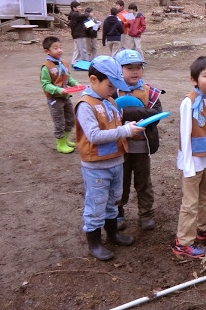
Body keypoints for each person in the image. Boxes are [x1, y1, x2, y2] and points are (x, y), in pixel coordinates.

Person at [74, 56, 145, 261]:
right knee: (96, 203)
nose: (113, 90)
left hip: (116, 162)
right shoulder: (85, 105)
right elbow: (94, 136)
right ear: (94, 79)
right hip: (96, 166)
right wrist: (124, 131)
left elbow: (116, 127)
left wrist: (132, 127)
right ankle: (94, 243)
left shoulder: (109, 101)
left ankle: (113, 234)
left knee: (113, 200)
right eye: (110, 85)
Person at [173, 56, 206, 258]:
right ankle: (183, 242)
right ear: (194, 80)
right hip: (192, 161)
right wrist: (187, 164)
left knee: (205, 195)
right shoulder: (189, 102)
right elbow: (185, 135)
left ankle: (204, 229)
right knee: (190, 202)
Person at [114, 50, 165, 231]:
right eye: (129, 68)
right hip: (120, 147)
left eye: (138, 67)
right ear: (118, 70)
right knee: (120, 182)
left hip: (142, 147)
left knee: (144, 182)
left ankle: (146, 213)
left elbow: (156, 115)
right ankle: (118, 213)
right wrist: (143, 112)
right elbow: (108, 117)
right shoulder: (112, 92)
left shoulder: (149, 92)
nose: (135, 71)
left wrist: (126, 112)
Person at [40, 36, 79, 154]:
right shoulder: (46, 67)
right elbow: (45, 84)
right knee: (59, 121)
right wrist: (58, 90)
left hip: (66, 97)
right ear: (47, 51)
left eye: (60, 47)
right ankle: (60, 144)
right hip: (55, 99)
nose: (59, 50)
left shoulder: (64, 63)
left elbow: (68, 78)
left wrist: (75, 84)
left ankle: (66, 139)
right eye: (55, 48)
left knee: (70, 119)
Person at [68, 1, 89, 65]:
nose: (80, 8)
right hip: (79, 34)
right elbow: (83, 16)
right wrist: (87, 13)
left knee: (77, 49)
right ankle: (85, 62)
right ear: (74, 8)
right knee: (82, 49)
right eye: (78, 7)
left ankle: (74, 62)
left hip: (76, 34)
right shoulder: (75, 14)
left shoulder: (72, 14)